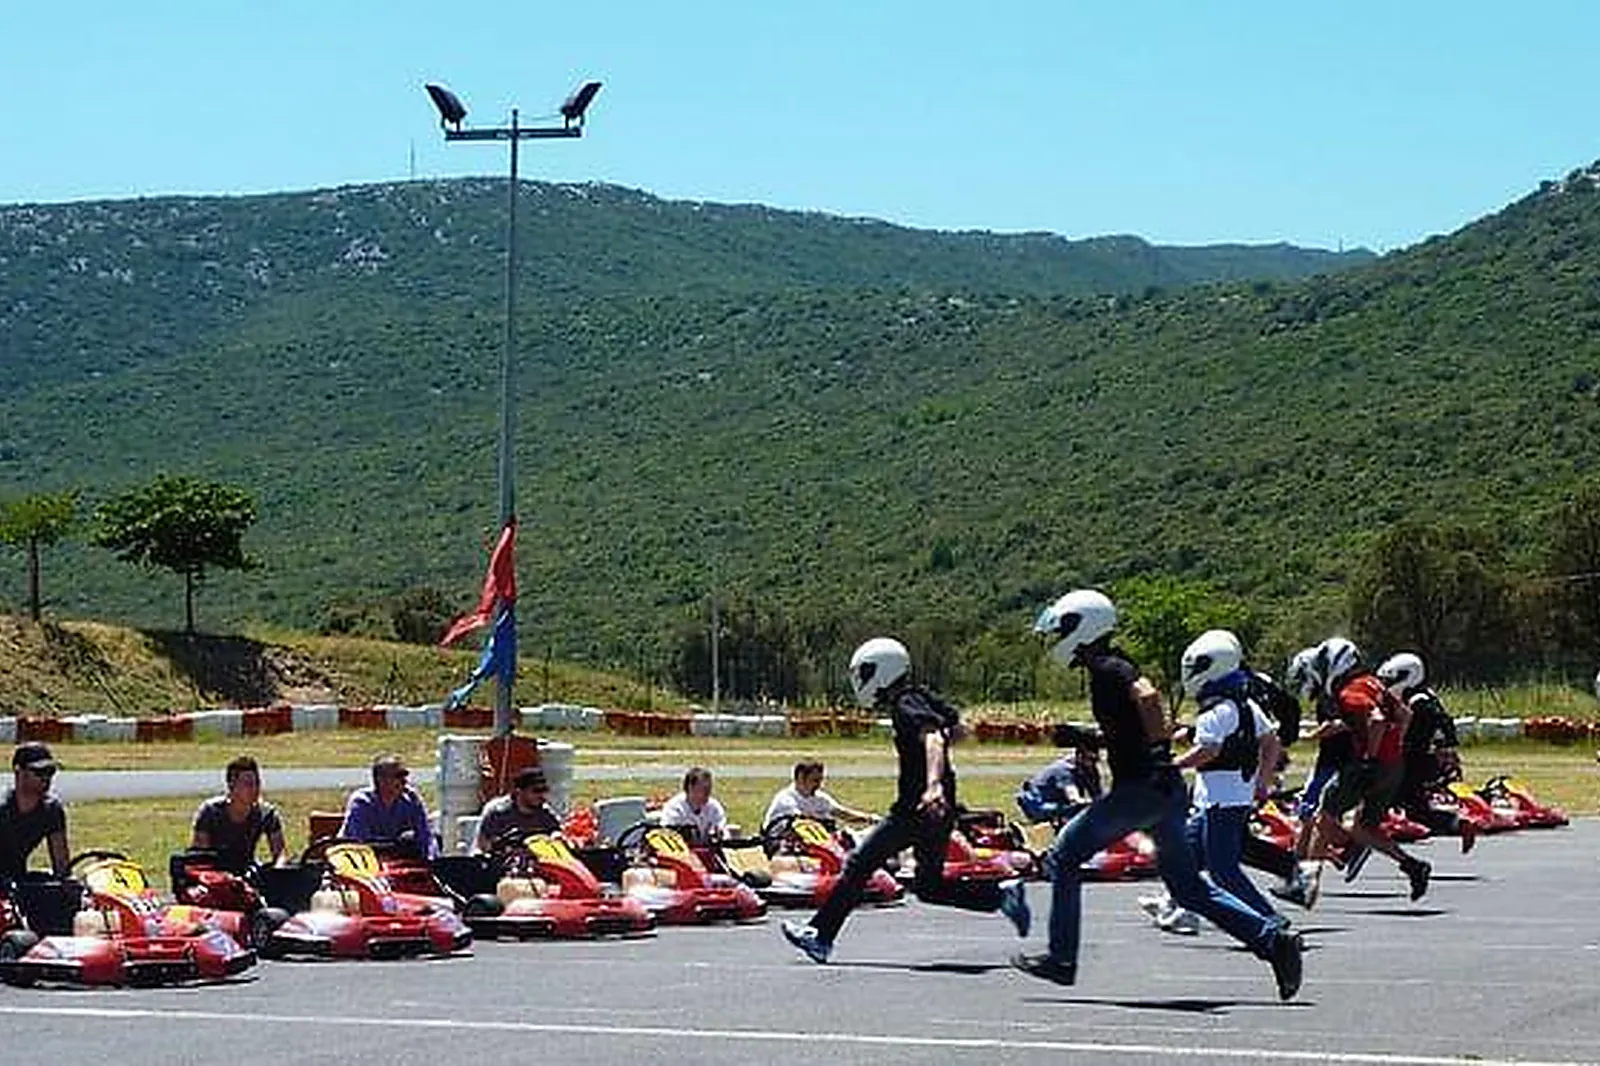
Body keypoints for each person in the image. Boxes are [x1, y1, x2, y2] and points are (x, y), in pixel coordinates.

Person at [1011, 590, 1303, 1000]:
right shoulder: (1110, 666)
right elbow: (1129, 729)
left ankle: (1062, 958)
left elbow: (1148, 697)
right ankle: (1273, 940)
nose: (1057, 638)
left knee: (1064, 855)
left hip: (1139, 792)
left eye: (1062, 629)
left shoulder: (1109, 668)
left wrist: (1157, 755)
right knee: (1188, 889)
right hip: (1162, 793)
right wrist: (1083, 736)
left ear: (1082, 628)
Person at [780, 637, 1030, 964]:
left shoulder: (905, 705)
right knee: (929, 886)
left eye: (865, 672)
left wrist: (932, 784)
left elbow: (934, 737)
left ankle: (820, 935)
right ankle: (1001, 896)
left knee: (859, 864)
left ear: (883, 671)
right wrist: (939, 774)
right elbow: (959, 729)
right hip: (939, 810)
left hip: (916, 808)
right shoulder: (921, 696)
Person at [1147, 630, 1286, 937]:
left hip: (1220, 799)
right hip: (1229, 795)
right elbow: (1271, 743)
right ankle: (1179, 907)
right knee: (1184, 858)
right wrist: (1262, 780)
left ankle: (1270, 922)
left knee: (1223, 870)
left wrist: (1174, 765)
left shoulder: (1215, 711)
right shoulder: (1246, 706)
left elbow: (1210, 750)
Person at [1303, 638, 1431, 901]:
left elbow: (1377, 720)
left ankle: (1304, 885)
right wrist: (1392, 745)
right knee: (1363, 828)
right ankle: (1412, 865)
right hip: (1394, 765)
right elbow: (1404, 715)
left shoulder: (1349, 691)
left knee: (1323, 818)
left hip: (1368, 765)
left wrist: (1370, 756)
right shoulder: (1373, 683)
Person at [1377, 652, 1477, 854]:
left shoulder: (1418, 701)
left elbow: (1423, 731)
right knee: (1416, 808)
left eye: (1392, 679)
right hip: (1424, 760)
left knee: (1385, 795)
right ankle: (1457, 823)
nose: (1388, 684)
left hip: (1416, 760)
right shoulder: (1426, 697)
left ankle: (1367, 833)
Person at [190, 754, 287, 872]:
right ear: (231, 785)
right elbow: (200, 858)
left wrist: (279, 871)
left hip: (248, 872)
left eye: (257, 783)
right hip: (215, 873)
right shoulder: (210, 812)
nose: (255, 789)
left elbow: (279, 853)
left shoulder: (266, 813)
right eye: (248, 784)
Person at [339, 753, 435, 858]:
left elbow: (426, 836)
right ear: (381, 780)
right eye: (398, 776)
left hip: (398, 860)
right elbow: (361, 842)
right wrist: (397, 845)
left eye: (404, 776)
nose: (404, 781)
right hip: (358, 860)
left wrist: (429, 860)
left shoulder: (411, 799)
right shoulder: (361, 803)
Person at [1, 742, 70, 882]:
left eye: (50, 772)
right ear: (19, 771)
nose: (46, 778)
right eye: (39, 772)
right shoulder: (3, 808)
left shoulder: (51, 811)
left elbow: (61, 866)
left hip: (16, 879)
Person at [763, 760, 876, 830]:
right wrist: (824, 823)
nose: (819, 785)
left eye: (821, 780)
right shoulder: (786, 799)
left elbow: (843, 814)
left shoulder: (819, 798)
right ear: (800, 778)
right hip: (779, 842)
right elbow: (799, 821)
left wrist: (871, 819)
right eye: (815, 780)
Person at [473, 766, 561, 853]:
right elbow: (484, 844)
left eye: (544, 790)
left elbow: (557, 832)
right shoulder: (498, 812)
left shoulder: (546, 813)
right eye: (536, 791)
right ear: (518, 791)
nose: (541, 795)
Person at [1015, 745, 1102, 824]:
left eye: (1095, 760)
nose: (1093, 764)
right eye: (1090, 759)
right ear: (1079, 757)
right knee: (1078, 809)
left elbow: (1098, 795)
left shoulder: (1087, 769)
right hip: (1037, 804)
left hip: (1054, 802)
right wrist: (1093, 803)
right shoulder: (1065, 770)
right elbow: (1074, 799)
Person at [657, 767, 729, 842]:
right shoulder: (675, 808)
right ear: (690, 787)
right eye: (704, 788)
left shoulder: (714, 807)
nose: (707, 793)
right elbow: (667, 834)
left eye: (709, 788)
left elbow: (721, 830)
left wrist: (720, 834)